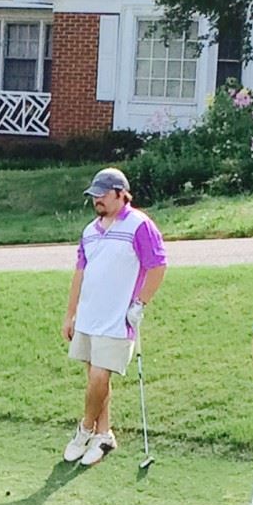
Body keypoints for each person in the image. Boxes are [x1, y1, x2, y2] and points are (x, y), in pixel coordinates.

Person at [62, 167, 167, 466]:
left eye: (103, 195)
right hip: (88, 317)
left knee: (99, 377)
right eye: (94, 196)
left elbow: (158, 266)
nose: (97, 201)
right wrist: (70, 314)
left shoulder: (139, 225)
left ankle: (84, 430)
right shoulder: (89, 231)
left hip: (117, 319)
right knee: (96, 381)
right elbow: (80, 273)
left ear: (121, 194)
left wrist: (140, 304)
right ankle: (104, 435)